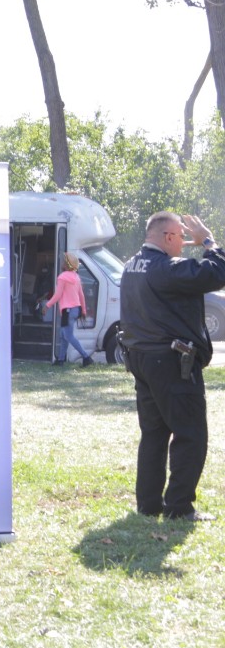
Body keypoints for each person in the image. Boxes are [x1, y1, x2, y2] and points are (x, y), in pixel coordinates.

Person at [120, 212, 225, 522]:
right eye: (181, 237)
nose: (185, 243)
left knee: (153, 433)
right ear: (167, 237)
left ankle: (148, 504)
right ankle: (179, 506)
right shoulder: (166, 268)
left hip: (142, 360)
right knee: (190, 433)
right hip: (172, 362)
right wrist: (208, 241)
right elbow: (218, 271)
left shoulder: (132, 265)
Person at [43, 252, 94, 367]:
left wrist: (47, 305)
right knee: (63, 334)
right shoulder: (76, 277)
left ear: (66, 265)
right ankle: (60, 360)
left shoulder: (62, 277)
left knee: (68, 336)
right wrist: (84, 310)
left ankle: (86, 357)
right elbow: (81, 295)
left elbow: (58, 295)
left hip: (67, 311)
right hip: (76, 309)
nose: (62, 263)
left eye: (64, 261)